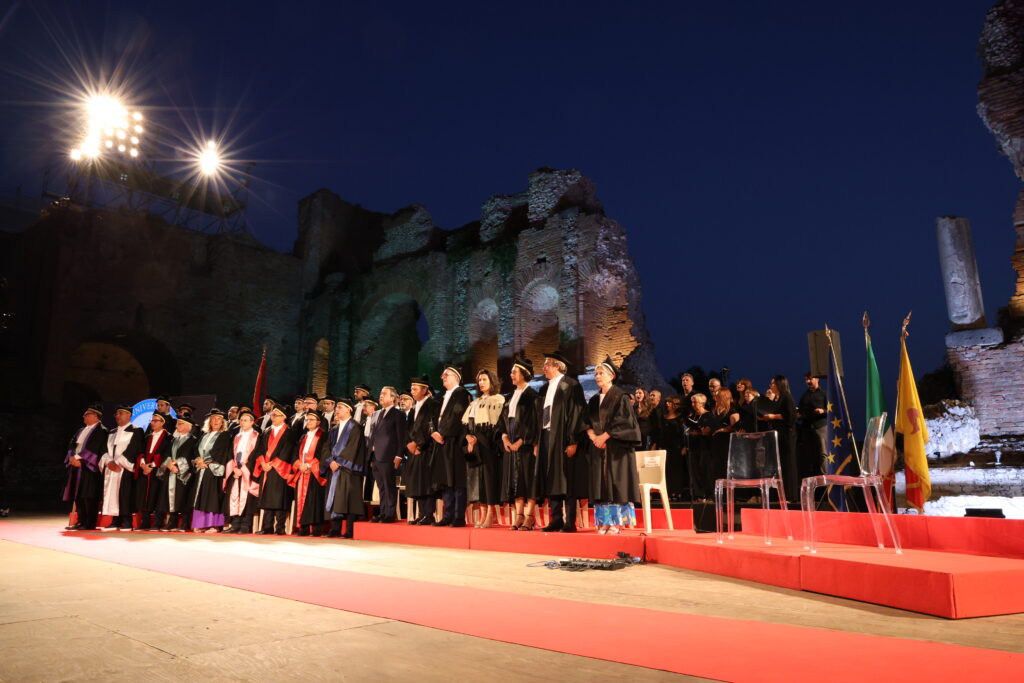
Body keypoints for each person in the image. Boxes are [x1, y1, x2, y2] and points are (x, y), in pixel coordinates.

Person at [586, 357, 642, 534]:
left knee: (616, 483)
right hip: (598, 447)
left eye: (601, 373)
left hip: (617, 448)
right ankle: (604, 522)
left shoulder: (620, 396)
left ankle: (616, 523)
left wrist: (605, 436)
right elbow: (586, 422)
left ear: (612, 376)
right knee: (601, 484)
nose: (597, 376)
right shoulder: (594, 400)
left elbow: (625, 421)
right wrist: (594, 437)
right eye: (596, 373)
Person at [535, 350, 587, 533]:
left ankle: (569, 521)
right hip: (547, 435)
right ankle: (555, 519)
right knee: (551, 477)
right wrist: (537, 442)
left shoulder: (571, 385)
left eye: (547, 364)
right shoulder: (543, 388)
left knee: (566, 478)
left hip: (563, 437)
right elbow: (538, 416)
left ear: (557, 366)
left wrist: (573, 440)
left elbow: (577, 414)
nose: (544, 368)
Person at [498, 357, 540, 530]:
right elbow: (502, 420)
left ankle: (530, 516)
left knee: (527, 479)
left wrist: (523, 441)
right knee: (514, 481)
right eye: (511, 372)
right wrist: (505, 438)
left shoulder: (532, 396)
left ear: (525, 374)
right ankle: (518, 516)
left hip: (526, 446)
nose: (511, 374)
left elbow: (534, 422)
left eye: (515, 372)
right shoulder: (509, 397)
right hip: (511, 445)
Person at [463, 369, 505, 528]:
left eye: (484, 379)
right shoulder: (475, 402)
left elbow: (497, 425)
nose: (481, 382)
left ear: (492, 381)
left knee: (488, 480)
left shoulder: (498, 400)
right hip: (475, 446)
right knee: (478, 481)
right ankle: (482, 514)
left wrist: (479, 438)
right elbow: (468, 425)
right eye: (479, 380)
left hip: (488, 446)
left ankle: (490, 514)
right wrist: (468, 437)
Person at [430, 366, 471, 526]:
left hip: (455, 441)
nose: (442, 377)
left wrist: (443, 433)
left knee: (457, 480)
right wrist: (433, 432)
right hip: (441, 442)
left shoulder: (462, 394)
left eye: (445, 375)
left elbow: (458, 417)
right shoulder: (441, 397)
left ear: (455, 376)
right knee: (445, 480)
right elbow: (432, 417)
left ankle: (458, 516)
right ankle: (448, 515)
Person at [323, 398, 368, 538]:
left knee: (349, 501)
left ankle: (349, 531)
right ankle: (334, 529)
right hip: (334, 469)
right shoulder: (333, 429)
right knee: (335, 498)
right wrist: (330, 461)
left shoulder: (356, 427)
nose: (337, 409)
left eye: (340, 407)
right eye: (337, 407)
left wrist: (339, 461)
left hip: (349, 469)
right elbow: (326, 448)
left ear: (349, 409)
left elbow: (353, 447)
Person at [251, 404, 296, 535]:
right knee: (267, 499)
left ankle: (280, 527)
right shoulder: (266, 431)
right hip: (266, 468)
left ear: (283, 417)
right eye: (272, 415)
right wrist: (263, 463)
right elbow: (259, 449)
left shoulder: (289, 432)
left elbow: (287, 450)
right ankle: (267, 527)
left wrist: (274, 463)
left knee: (279, 499)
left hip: (280, 469)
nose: (273, 417)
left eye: (275, 415)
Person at [62, 404, 108, 531]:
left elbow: (97, 448)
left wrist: (81, 460)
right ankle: (80, 521)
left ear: (95, 416)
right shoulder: (80, 430)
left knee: (89, 496)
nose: (83, 416)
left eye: (86, 414)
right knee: (78, 496)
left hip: (89, 468)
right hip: (76, 467)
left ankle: (89, 523)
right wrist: (71, 457)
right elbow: (71, 444)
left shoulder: (102, 431)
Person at [99, 405, 144, 530]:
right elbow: (104, 449)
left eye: (120, 413)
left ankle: (127, 521)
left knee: (125, 494)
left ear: (129, 415)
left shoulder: (136, 430)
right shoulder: (111, 432)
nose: (117, 416)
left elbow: (135, 448)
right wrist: (108, 461)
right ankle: (115, 521)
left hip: (125, 468)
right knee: (112, 493)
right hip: (111, 468)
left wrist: (118, 462)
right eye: (116, 414)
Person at [405, 376, 440, 525]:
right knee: (417, 483)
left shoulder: (433, 404)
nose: (412, 391)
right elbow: (408, 428)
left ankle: (429, 514)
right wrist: (408, 443)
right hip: (414, 450)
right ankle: (421, 513)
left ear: (425, 389)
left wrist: (418, 443)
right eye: (412, 388)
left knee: (426, 483)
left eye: (415, 388)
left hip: (427, 449)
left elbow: (430, 426)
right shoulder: (414, 408)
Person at [190, 409, 232, 533]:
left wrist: (208, 462)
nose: (215, 421)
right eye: (213, 419)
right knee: (202, 496)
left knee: (213, 497)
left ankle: (214, 525)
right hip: (202, 469)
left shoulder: (225, 435)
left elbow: (222, 452)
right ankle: (201, 524)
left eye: (218, 419)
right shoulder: (204, 435)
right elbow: (196, 450)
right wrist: (198, 460)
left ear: (223, 422)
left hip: (214, 469)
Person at [290, 411, 328, 536]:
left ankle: (316, 529)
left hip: (314, 473)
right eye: (307, 419)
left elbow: (323, 454)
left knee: (314, 501)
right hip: (302, 472)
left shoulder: (323, 436)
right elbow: (295, 453)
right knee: (301, 500)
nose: (309, 422)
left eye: (312, 419)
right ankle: (303, 528)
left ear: (318, 422)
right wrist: (299, 465)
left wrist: (309, 465)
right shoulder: (303, 437)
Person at [155, 415, 196, 531]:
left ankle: (184, 523)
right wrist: (169, 464)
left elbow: (191, 457)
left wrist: (178, 464)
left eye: (180, 423)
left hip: (184, 475)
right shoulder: (173, 440)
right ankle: (172, 522)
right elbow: (166, 454)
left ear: (188, 426)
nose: (176, 425)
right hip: (171, 472)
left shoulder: (193, 440)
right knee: (170, 498)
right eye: (177, 423)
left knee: (184, 498)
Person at [224, 409, 260, 534]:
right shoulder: (236, 437)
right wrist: (234, 468)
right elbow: (230, 453)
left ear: (252, 422)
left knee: (247, 498)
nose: (242, 422)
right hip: (236, 470)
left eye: (245, 420)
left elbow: (255, 454)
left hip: (248, 471)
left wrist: (245, 468)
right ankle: (235, 524)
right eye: (241, 420)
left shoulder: (256, 436)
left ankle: (245, 525)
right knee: (235, 496)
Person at [135, 412, 172, 530]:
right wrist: (143, 465)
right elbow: (140, 452)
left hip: (159, 472)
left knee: (158, 497)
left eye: (156, 421)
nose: (153, 423)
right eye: (152, 420)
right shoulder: (147, 437)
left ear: (162, 423)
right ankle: (144, 522)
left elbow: (167, 454)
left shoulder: (168, 437)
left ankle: (158, 523)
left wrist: (152, 465)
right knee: (145, 497)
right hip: (145, 471)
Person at [708, 385, 741, 486]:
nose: (714, 398)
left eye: (717, 396)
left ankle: (729, 494)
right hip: (715, 443)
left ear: (724, 397)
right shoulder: (714, 410)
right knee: (715, 467)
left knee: (726, 467)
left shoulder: (732, 410)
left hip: (726, 443)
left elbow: (737, 427)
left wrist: (724, 429)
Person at [797, 372, 828, 480]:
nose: (808, 381)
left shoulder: (824, 394)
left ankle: (827, 479)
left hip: (821, 426)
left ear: (817, 379)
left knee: (823, 454)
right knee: (810, 455)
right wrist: (798, 415)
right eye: (806, 379)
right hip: (807, 428)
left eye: (810, 379)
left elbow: (832, 410)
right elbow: (800, 411)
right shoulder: (804, 396)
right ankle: (813, 480)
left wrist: (822, 410)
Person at [685, 393, 714, 502]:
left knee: (705, 471)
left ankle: (709, 494)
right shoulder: (692, 416)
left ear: (702, 403)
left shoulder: (708, 415)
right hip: (693, 447)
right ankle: (700, 495)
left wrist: (699, 432)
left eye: (695, 402)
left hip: (704, 447)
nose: (693, 404)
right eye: (692, 402)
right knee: (695, 471)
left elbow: (708, 431)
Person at [659, 396, 688, 502]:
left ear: (674, 404)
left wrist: (685, 446)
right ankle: (670, 492)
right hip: (666, 447)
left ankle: (678, 492)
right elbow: (661, 434)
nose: (667, 404)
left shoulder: (680, 417)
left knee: (677, 470)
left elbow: (684, 434)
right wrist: (660, 446)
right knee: (668, 470)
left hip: (678, 447)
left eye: (669, 402)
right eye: (666, 402)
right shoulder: (663, 417)